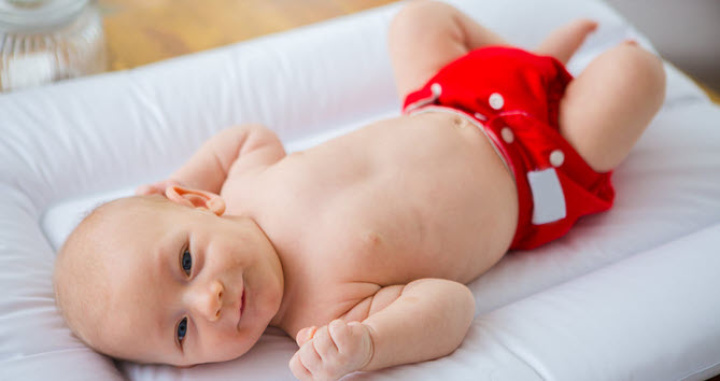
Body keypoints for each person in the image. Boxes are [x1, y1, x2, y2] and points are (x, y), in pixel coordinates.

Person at [53, 1, 666, 380]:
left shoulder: (244, 185)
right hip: (539, 165)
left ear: (196, 203)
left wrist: (189, 172)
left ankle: (528, 62)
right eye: (182, 332)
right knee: (635, 73)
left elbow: (246, 135)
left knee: (417, 19)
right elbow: (452, 307)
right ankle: (568, 85)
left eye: (186, 261)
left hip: (446, 98)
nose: (207, 302)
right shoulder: (323, 317)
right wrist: (371, 345)